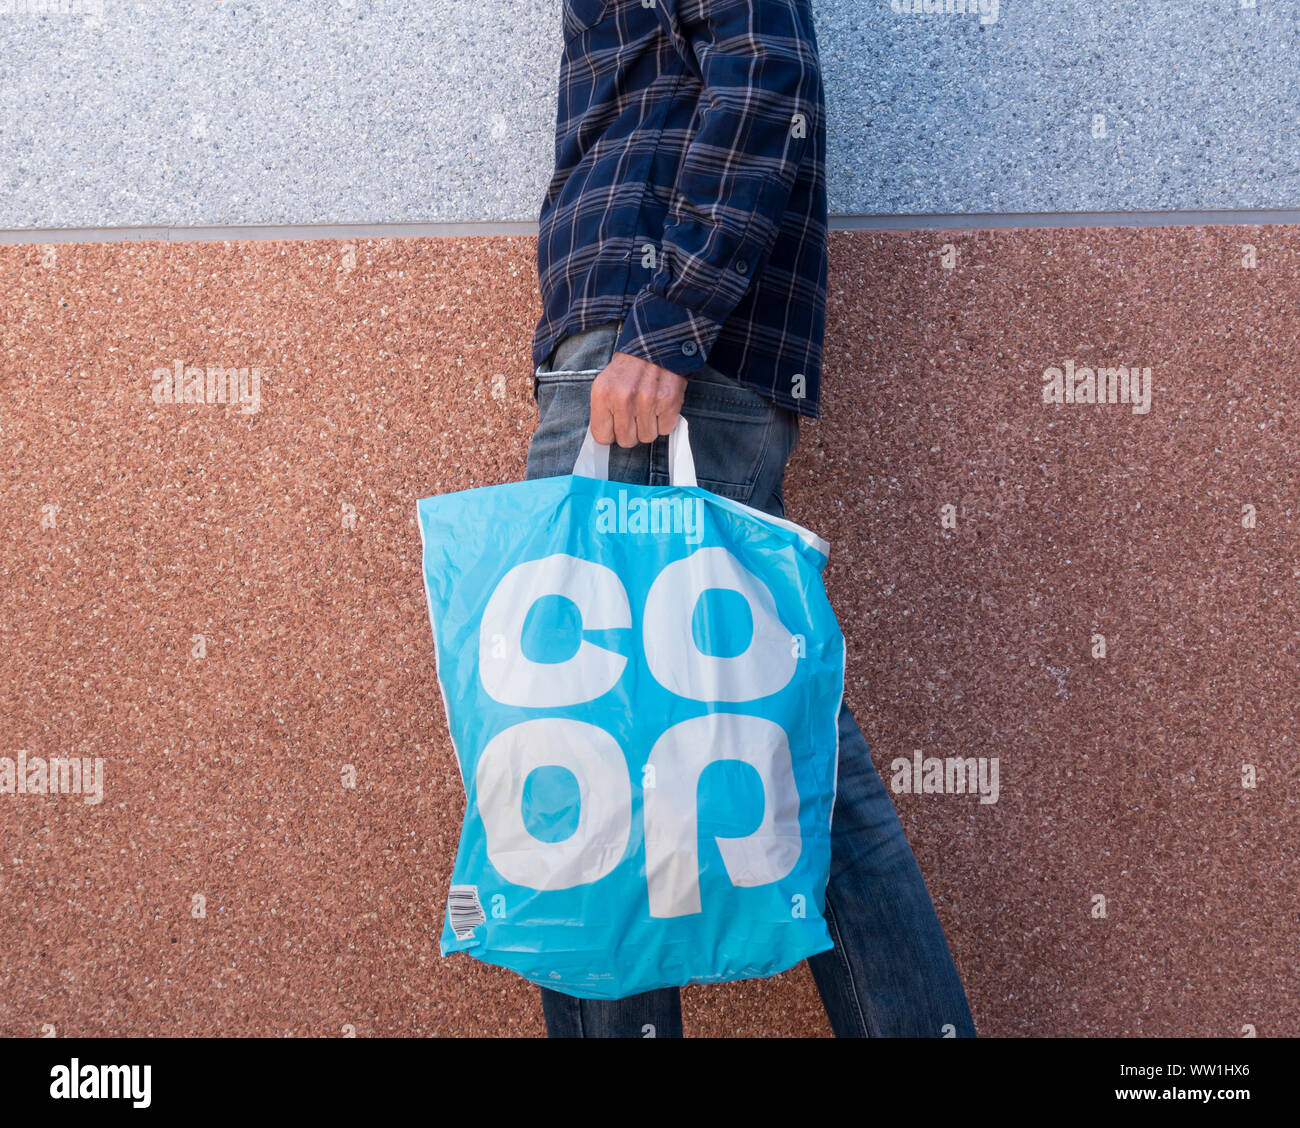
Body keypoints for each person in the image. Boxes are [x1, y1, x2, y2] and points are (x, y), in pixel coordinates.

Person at [524, 0, 975, 1038]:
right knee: (782, 736)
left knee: (585, 744)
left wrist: (666, 327)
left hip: (650, 348)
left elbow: (763, 64)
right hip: (641, 344)